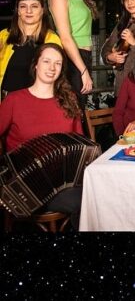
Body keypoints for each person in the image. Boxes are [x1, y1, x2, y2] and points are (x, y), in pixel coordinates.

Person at [0, 43, 84, 229]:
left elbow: (80, 142)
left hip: (64, 183)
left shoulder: (69, 99)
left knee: (99, 193)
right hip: (27, 187)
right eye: (46, 61)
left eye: (58, 63)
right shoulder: (14, 100)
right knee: (85, 202)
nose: (52, 67)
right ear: (36, 64)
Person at [44, 0, 97, 108]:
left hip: (83, 56)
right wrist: (83, 70)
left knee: (79, 107)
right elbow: (65, 37)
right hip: (72, 58)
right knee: (73, 110)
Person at [0, 0, 61, 100]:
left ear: (42, 10)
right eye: (23, 6)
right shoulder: (3, 36)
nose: (29, 11)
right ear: (18, 11)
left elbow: (58, 75)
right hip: (6, 101)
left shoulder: (52, 39)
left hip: (38, 102)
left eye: (34, 6)